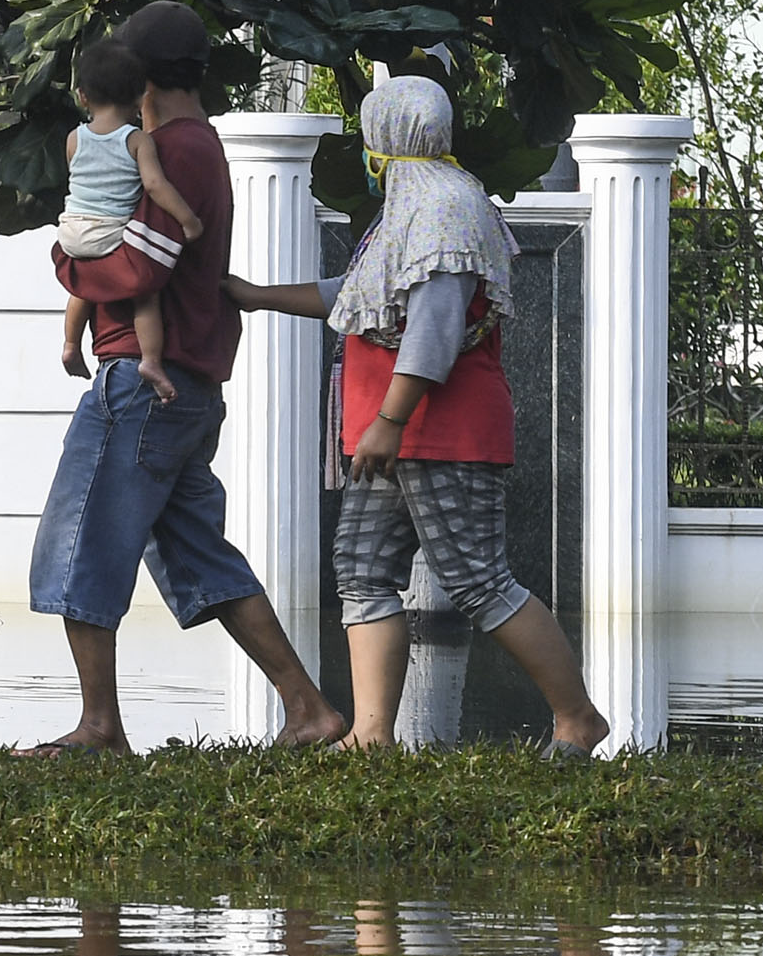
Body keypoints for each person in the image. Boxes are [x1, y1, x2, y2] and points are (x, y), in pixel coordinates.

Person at [226, 74, 610, 755]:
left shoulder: (443, 207)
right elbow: (362, 295)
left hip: (436, 431)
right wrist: (258, 295)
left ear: (385, 137)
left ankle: (577, 717)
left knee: (477, 580)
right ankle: (372, 735)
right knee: (363, 569)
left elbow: (433, 325)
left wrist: (391, 419)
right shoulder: (414, 204)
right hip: (392, 433)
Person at [25, 0, 348, 754]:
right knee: (201, 555)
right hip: (189, 389)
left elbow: (141, 261)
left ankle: (100, 727)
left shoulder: (170, 148)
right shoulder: (196, 144)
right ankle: (310, 709)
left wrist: (64, 261)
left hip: (142, 388)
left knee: (80, 542)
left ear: (137, 79)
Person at [57, 35, 205, 405]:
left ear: (82, 96)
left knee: (83, 288)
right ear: (141, 98)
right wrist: (188, 221)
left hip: (71, 232)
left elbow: (77, 180)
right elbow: (155, 186)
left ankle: (71, 344)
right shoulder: (136, 140)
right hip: (110, 232)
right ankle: (151, 362)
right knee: (145, 294)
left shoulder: (74, 138)